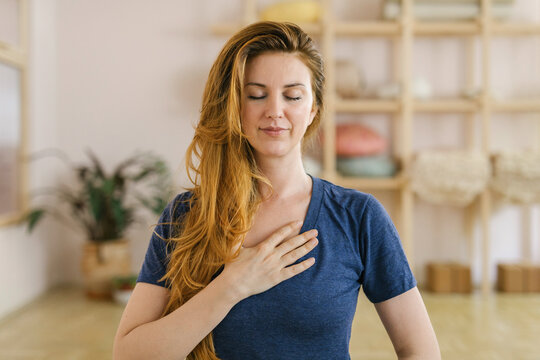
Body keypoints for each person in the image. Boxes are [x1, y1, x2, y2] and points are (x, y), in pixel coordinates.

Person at [113, 21, 440, 360]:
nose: (274, 111)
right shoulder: (186, 215)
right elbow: (128, 354)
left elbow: (419, 349)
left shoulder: (359, 217)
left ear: (313, 108)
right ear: (234, 108)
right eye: (256, 95)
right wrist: (230, 288)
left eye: (293, 96)